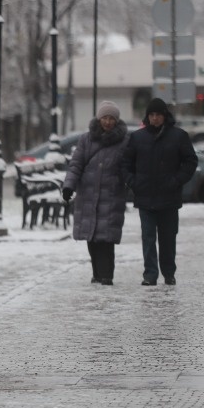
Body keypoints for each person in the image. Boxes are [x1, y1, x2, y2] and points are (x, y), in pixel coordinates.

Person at [121, 98, 198, 286]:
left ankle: (169, 273)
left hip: (169, 197)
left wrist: (176, 180)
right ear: (147, 117)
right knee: (148, 237)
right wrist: (133, 182)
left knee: (168, 238)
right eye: (152, 115)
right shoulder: (137, 138)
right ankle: (150, 274)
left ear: (165, 116)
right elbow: (125, 164)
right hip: (145, 196)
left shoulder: (179, 136)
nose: (155, 118)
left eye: (158, 115)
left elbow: (190, 162)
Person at [61, 101, 130, 285]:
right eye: (104, 118)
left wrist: (129, 185)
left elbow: (127, 168)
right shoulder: (86, 139)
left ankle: (106, 275)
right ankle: (96, 273)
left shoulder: (124, 141)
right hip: (88, 195)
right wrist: (69, 186)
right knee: (91, 236)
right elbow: (76, 164)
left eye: (111, 119)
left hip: (111, 195)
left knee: (106, 239)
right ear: (99, 119)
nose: (108, 122)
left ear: (116, 121)